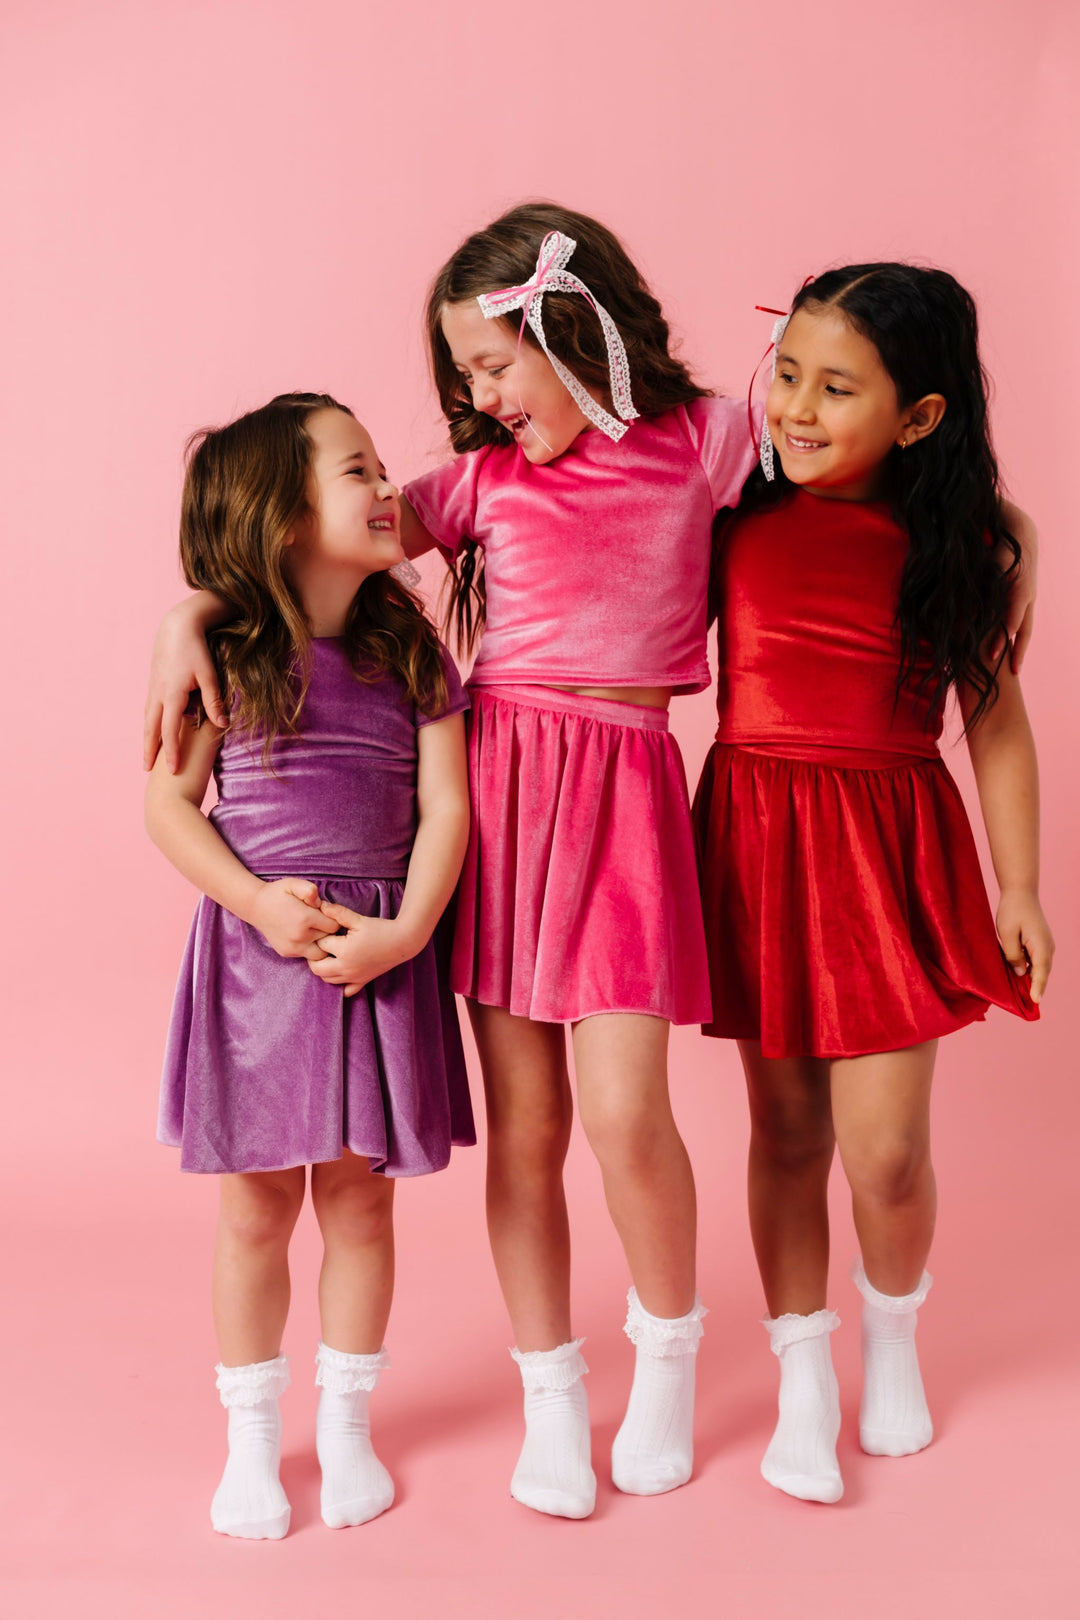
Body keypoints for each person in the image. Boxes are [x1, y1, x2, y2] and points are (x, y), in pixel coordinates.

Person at [143, 208, 1038, 1520]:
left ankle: (664, 1364)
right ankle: (552, 1395)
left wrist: (1006, 530)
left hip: (625, 795)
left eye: (491, 364)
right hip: (498, 796)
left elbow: (872, 460)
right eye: (463, 376)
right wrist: (193, 609)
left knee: (625, 1115)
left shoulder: (710, 444)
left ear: (573, 327)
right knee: (530, 1130)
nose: (476, 397)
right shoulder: (482, 483)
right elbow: (316, 542)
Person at [693, 265, 1053, 1505]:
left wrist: (1020, 885)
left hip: (889, 846)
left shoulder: (975, 543)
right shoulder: (731, 512)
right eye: (787, 374)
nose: (795, 408)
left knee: (886, 1151)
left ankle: (892, 1335)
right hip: (758, 836)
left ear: (919, 416)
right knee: (788, 1134)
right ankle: (803, 1372)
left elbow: (995, 719)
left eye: (836, 389)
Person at [145, 393, 473, 1539]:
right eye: (357, 470)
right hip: (259, 963)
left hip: (379, 954)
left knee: (361, 1204)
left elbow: (447, 811)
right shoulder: (229, 653)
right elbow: (169, 806)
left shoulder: (412, 649)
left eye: (381, 467)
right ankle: (251, 1440)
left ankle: (346, 1428)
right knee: (254, 1212)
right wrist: (252, 902)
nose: (388, 488)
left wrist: (410, 932)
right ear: (283, 517)